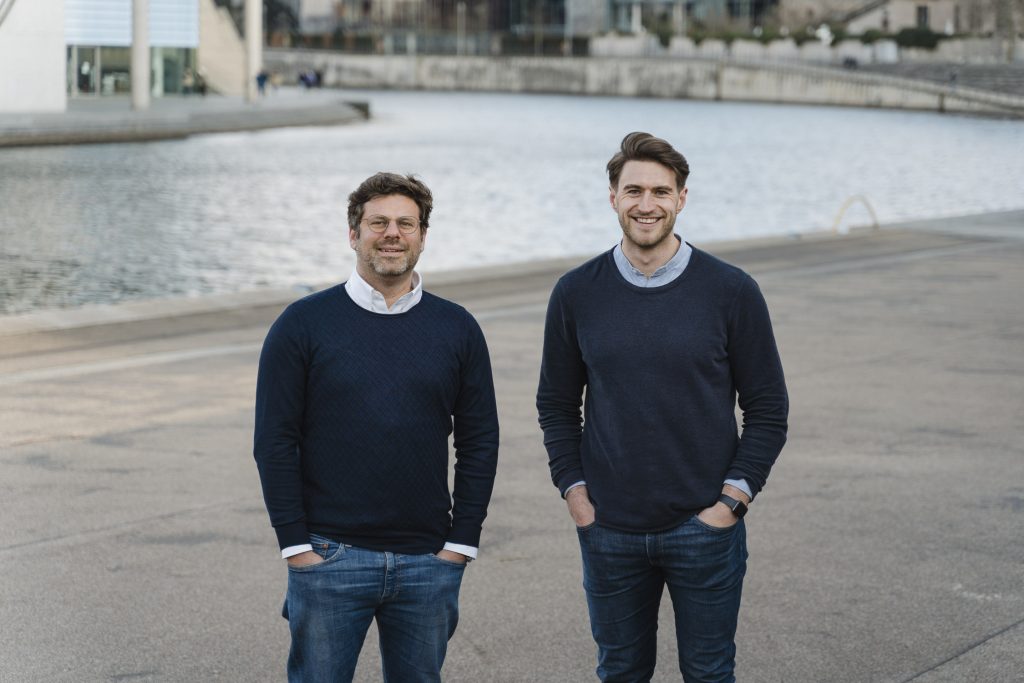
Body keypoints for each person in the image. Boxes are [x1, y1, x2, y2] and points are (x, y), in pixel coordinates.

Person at [537, 132, 788, 682]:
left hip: (705, 528)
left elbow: (768, 409)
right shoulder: (576, 292)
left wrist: (730, 504)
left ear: (681, 198)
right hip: (610, 530)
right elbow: (556, 404)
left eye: (659, 191)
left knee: (708, 672)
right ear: (612, 197)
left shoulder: (731, 290)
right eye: (633, 191)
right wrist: (576, 495)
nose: (645, 204)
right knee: (621, 672)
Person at [254, 172, 500, 682]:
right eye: (378, 222)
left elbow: (479, 441)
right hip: (328, 555)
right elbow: (275, 440)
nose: (392, 233)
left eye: (406, 223)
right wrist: (295, 545)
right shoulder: (302, 324)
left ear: (423, 235)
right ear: (353, 234)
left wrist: (461, 543)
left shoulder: (457, 328)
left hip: (428, 561)